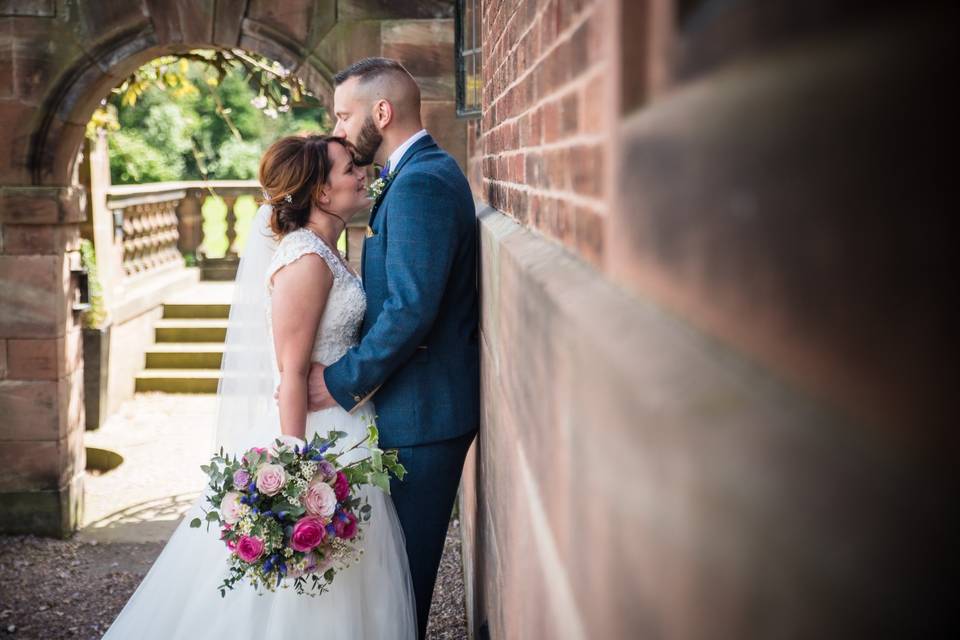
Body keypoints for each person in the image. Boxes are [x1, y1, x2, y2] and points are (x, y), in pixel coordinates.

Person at [101, 134, 417, 639]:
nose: (363, 174)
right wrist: (299, 472)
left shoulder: (327, 251)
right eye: (349, 169)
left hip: (349, 426)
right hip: (318, 437)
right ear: (321, 192)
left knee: (354, 580)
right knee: (307, 587)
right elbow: (290, 371)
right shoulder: (306, 260)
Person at [307, 57, 480, 640]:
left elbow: (410, 309)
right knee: (391, 581)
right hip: (415, 410)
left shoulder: (423, 183)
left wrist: (338, 380)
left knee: (404, 585)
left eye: (343, 115)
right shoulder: (414, 176)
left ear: (381, 113)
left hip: (425, 417)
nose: (337, 130)